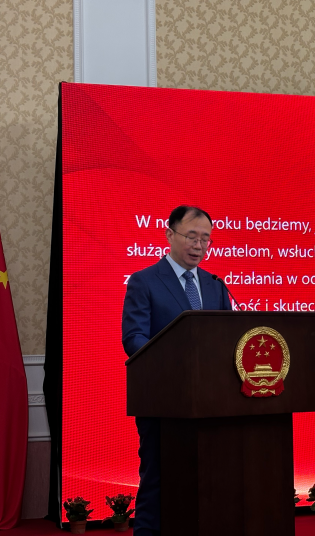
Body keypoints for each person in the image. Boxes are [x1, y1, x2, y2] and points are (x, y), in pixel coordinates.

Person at [122, 205, 231, 536]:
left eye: (206, 239)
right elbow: (134, 337)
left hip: (209, 403)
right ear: (170, 234)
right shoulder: (144, 281)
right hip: (163, 400)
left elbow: (227, 337)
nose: (199, 245)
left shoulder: (215, 285)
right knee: (157, 477)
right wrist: (172, 364)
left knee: (208, 479)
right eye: (192, 236)